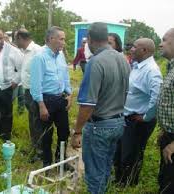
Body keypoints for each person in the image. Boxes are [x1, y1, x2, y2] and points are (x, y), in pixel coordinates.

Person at [71, 22, 130, 194]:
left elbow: (88, 104)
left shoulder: (95, 62)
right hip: (118, 122)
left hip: (100, 126)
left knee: (94, 173)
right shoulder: (123, 59)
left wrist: (77, 132)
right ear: (106, 37)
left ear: (89, 38)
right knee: (104, 167)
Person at [115, 38, 162, 186]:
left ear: (144, 51)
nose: (131, 49)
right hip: (128, 118)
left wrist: (146, 116)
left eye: (135, 47)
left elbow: (157, 96)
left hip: (138, 121)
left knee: (131, 155)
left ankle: (128, 184)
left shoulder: (151, 71)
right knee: (122, 152)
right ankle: (120, 181)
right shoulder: (137, 66)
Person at [30, 26, 72, 167]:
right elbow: (36, 85)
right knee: (46, 135)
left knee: (64, 132)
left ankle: (61, 161)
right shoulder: (39, 57)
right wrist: (41, 106)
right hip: (45, 101)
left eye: (64, 39)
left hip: (60, 99)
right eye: (61, 39)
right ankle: (47, 164)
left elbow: (65, 76)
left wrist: (69, 94)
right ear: (51, 39)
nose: (63, 42)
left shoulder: (60, 56)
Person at [14, 28, 42, 162]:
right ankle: (34, 147)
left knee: (37, 122)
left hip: (35, 92)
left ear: (20, 38)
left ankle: (40, 152)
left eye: (15, 38)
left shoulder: (37, 50)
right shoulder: (24, 52)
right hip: (27, 92)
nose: (14, 41)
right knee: (32, 121)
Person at [157, 28, 174, 194]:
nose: (160, 44)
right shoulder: (170, 67)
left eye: (164, 40)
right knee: (165, 180)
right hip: (169, 136)